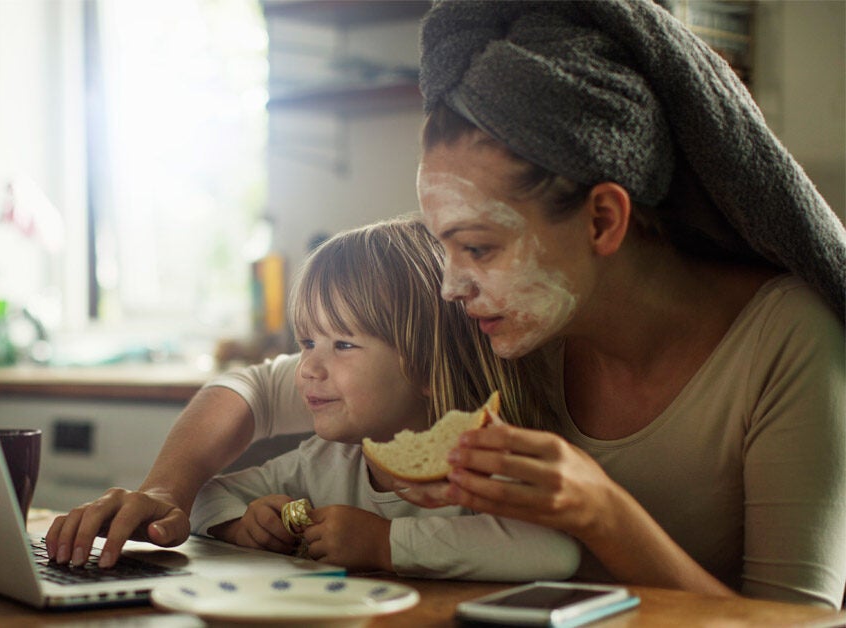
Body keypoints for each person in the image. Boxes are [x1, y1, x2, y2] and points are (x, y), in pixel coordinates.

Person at [47, 0, 846, 608]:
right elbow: (259, 389)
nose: (449, 286)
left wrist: (601, 513)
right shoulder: (499, 323)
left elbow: (794, 625)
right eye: (443, 248)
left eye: (479, 247)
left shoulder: (786, 344)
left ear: (604, 219)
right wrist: (169, 491)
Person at [188, 216, 578, 579]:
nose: (307, 367)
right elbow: (206, 494)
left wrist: (384, 542)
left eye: (342, 344)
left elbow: (554, 549)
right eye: (307, 342)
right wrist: (240, 525)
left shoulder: (482, 458)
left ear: (426, 366)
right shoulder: (322, 462)